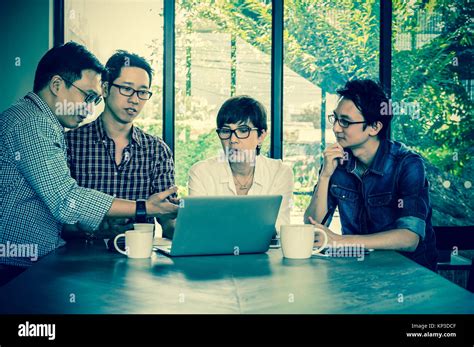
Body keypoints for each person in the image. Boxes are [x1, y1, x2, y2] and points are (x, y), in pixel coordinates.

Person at [0, 42, 178, 285]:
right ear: (56, 85)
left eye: (142, 92)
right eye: (88, 96)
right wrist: (143, 207)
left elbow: (169, 219)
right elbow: (65, 201)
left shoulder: (39, 121)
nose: (89, 108)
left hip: (36, 262)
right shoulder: (33, 124)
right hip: (16, 264)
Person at [304, 79, 437, 270]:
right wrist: (324, 176)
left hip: (409, 275)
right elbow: (312, 225)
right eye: (335, 118)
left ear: (374, 127)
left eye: (345, 122)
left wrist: (341, 241)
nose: (335, 128)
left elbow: (409, 238)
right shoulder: (336, 162)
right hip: (358, 270)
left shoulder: (407, 164)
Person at [64, 50, 175, 241]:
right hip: (80, 261)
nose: (134, 99)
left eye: (142, 92)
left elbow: (167, 220)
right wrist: (97, 228)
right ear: (105, 89)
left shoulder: (157, 150)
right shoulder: (71, 143)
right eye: (126, 89)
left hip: (139, 259)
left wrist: (184, 227)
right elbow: (59, 215)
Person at [188, 95, 294, 232]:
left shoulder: (279, 172)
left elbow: (279, 230)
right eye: (226, 131)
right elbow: (198, 229)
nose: (233, 139)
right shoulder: (201, 172)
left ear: (261, 136)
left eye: (243, 130)